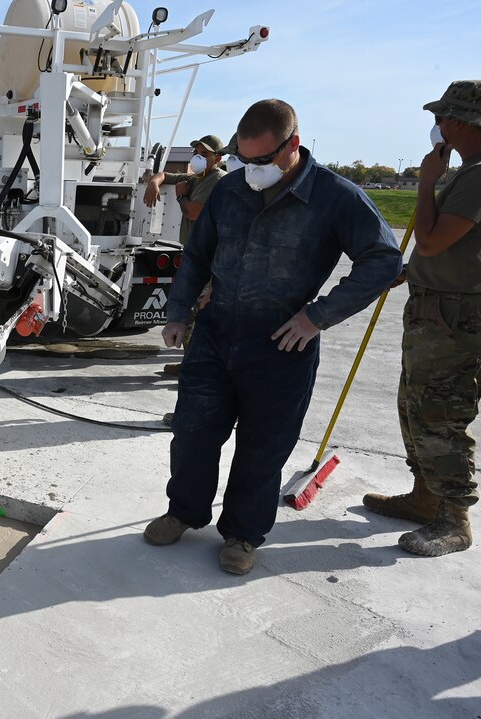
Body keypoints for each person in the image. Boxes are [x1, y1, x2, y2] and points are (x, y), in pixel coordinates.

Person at [143, 99, 402, 575]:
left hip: (282, 346)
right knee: (193, 435)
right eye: (243, 160)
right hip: (216, 333)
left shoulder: (334, 196)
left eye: (262, 161)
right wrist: (179, 311)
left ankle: (243, 533)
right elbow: (198, 255)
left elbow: (384, 260)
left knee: (263, 448)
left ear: (293, 146)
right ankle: (184, 511)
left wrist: (317, 317)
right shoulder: (229, 191)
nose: (251, 170)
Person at [363, 80, 481, 557]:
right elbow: (454, 247)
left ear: (457, 122)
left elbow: (432, 239)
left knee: (439, 412)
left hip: (458, 317)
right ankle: (425, 496)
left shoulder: (475, 174)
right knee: (414, 405)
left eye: (441, 119)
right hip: (436, 309)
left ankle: (454, 519)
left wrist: (428, 179)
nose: (437, 128)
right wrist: (414, 269)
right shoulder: (468, 171)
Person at [144, 134, 227, 378]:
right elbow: (166, 175)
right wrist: (154, 183)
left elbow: (193, 212)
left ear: (218, 158)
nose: (198, 158)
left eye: (204, 154)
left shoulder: (217, 179)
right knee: (190, 315)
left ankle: (197, 368)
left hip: (209, 259)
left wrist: (181, 196)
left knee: (200, 315)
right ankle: (189, 363)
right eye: (196, 153)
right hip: (194, 255)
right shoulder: (195, 177)